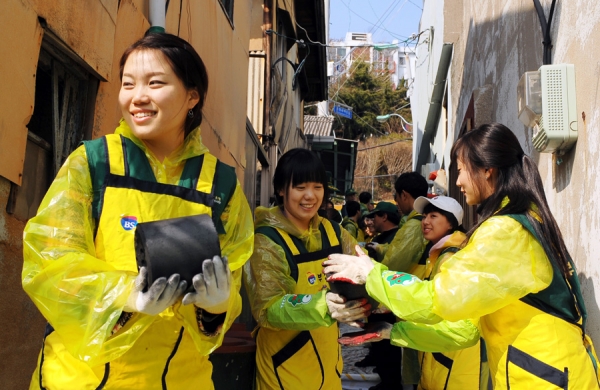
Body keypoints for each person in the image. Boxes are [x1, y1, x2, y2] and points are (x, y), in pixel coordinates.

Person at [21, 32, 255, 389]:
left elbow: (232, 274)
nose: (137, 97)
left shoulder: (220, 185)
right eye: (128, 84)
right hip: (85, 380)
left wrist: (217, 305)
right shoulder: (94, 163)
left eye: (155, 83)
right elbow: (50, 263)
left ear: (192, 95)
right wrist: (124, 297)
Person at [325, 123, 600, 389]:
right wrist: (395, 332)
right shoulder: (521, 220)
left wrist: (371, 274)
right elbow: (465, 329)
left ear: (487, 170)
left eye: (461, 170)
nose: (458, 181)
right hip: (546, 372)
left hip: (545, 377)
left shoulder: (505, 231)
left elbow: (439, 298)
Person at [243, 148, 371, 390]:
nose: (310, 196)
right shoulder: (268, 240)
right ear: (281, 190)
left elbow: (366, 267)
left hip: (328, 363)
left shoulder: (333, 232)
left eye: (317, 187)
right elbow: (269, 309)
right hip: (284, 371)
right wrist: (324, 305)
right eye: (300, 188)